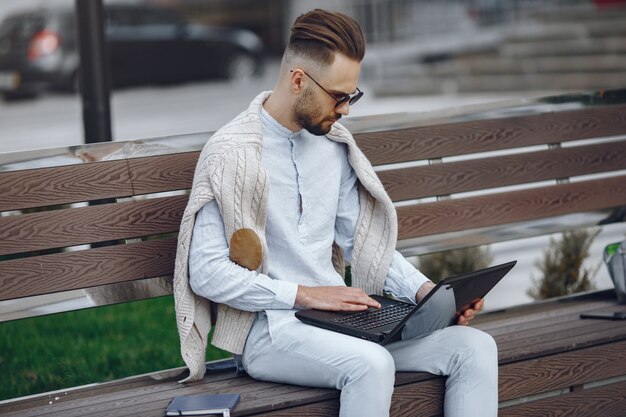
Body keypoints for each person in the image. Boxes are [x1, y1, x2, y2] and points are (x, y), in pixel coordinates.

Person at [173, 9, 497, 417]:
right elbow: (205, 272)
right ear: (298, 80)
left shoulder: (334, 148)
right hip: (272, 331)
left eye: (352, 97)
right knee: (371, 363)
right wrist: (305, 294)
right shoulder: (231, 154)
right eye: (340, 97)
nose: (346, 110)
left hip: (345, 323)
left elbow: (365, 244)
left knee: (474, 347)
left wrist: (428, 294)